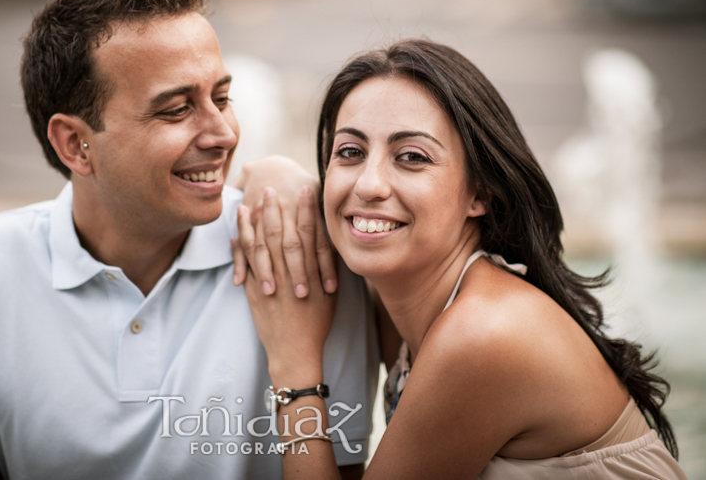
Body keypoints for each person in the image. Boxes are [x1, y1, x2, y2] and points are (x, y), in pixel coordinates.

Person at [0, 0, 379, 480]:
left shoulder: (303, 257)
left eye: (222, 98)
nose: (223, 133)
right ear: (74, 144)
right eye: (176, 110)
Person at [233, 39, 687, 479]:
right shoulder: (411, 295)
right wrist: (277, 176)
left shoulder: (482, 335)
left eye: (411, 157)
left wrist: (294, 367)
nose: (369, 185)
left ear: (479, 192)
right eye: (350, 152)